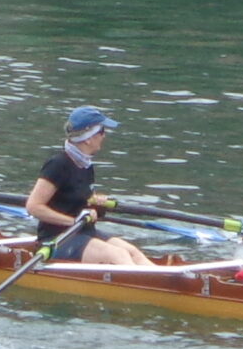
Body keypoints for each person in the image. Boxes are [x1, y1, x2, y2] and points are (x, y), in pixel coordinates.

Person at [23, 106, 156, 266]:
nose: (104, 136)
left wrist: (96, 205)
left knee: (133, 252)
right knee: (118, 255)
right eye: (102, 131)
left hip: (84, 232)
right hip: (57, 239)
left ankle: (163, 280)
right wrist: (73, 221)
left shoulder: (86, 164)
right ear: (88, 138)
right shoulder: (58, 164)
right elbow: (33, 206)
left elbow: (79, 203)